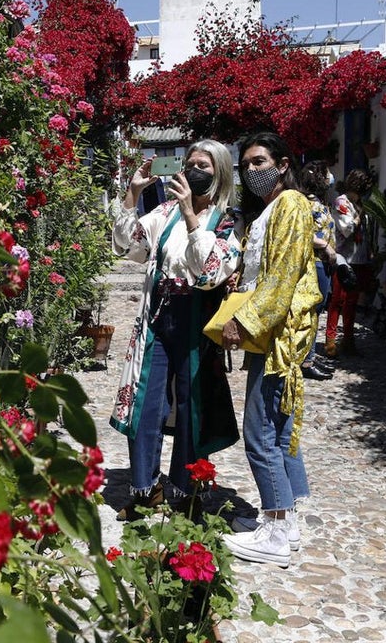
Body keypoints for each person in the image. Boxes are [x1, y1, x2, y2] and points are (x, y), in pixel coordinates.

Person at [110, 140, 242, 521]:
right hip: (159, 318)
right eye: (190, 163)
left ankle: (186, 492)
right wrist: (133, 194)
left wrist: (191, 214)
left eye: (204, 165)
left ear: (218, 174)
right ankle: (144, 489)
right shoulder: (163, 212)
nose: (194, 170)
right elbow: (129, 247)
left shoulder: (227, 222)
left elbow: (210, 272)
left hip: (197, 324)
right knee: (146, 405)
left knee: (191, 407)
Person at [220, 131, 322, 567]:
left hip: (277, 334)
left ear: (282, 164)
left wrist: (241, 321)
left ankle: (276, 528)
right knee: (280, 432)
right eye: (246, 165)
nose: (251, 171)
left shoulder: (292, 205)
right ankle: (289, 521)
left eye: (259, 162)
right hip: (274, 330)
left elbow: (282, 277)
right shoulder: (268, 211)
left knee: (259, 433)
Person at [324, 168, 376, 357]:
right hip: (344, 259)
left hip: (360, 258)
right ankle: (330, 341)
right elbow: (346, 229)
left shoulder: (359, 203)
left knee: (352, 302)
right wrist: (358, 216)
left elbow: (367, 231)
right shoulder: (341, 202)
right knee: (338, 300)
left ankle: (348, 339)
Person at [298, 161, 338, 381]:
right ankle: (306, 360)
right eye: (327, 174)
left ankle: (309, 355)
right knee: (312, 312)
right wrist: (325, 246)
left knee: (316, 312)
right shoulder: (305, 204)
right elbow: (303, 233)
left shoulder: (318, 203)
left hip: (323, 264)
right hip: (314, 263)